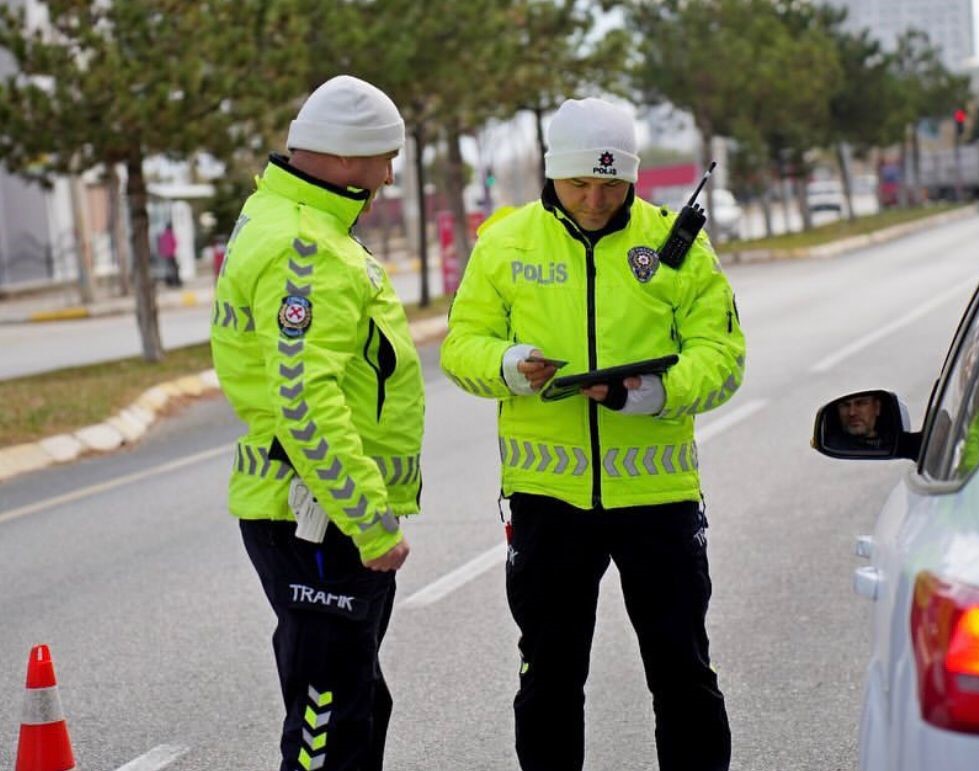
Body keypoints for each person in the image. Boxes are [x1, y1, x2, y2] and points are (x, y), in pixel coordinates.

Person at [441, 97, 746, 771]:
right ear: (552, 175)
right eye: (580, 183)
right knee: (548, 677)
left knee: (682, 672)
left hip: (658, 499)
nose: (596, 197)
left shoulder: (676, 244)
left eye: (611, 184)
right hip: (548, 501)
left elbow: (723, 355)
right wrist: (510, 366)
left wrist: (655, 392)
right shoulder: (506, 243)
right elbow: (461, 346)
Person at [209, 75, 424, 771]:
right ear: (341, 156)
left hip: (309, 511)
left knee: (351, 704)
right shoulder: (308, 246)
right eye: (381, 157)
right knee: (328, 726)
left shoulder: (283, 218)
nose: (389, 176)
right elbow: (305, 401)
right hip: (321, 519)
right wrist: (368, 519)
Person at [157, 222, 182, 287]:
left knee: (168, 268)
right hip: (171, 254)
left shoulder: (163, 235)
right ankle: (176, 281)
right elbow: (175, 243)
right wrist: (173, 250)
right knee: (175, 268)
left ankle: (169, 282)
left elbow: (160, 245)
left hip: (165, 255)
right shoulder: (171, 234)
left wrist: (162, 252)